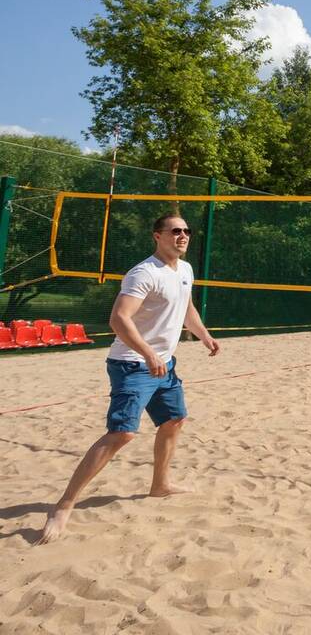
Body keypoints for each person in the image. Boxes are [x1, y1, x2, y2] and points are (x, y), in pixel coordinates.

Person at [37, 214, 220, 545]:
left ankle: (160, 485)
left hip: (164, 364)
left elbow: (187, 308)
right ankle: (63, 505)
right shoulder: (144, 273)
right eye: (175, 231)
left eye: (186, 231)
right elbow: (118, 319)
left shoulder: (186, 269)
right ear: (157, 236)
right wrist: (148, 354)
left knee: (175, 420)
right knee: (122, 434)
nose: (183, 236)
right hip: (132, 364)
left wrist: (204, 336)